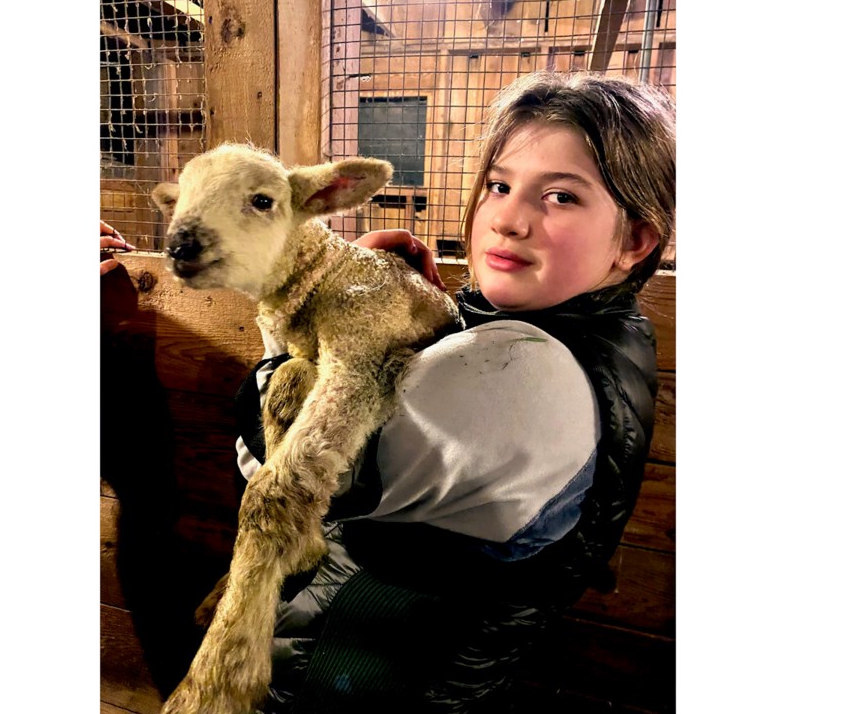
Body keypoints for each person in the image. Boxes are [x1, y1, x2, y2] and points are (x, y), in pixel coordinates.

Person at [232, 70, 675, 713]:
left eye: (560, 197)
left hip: (344, 682)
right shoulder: (592, 336)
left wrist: (303, 326)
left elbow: (282, 467)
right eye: (499, 185)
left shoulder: (526, 369)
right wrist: (421, 313)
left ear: (635, 240)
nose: (509, 219)